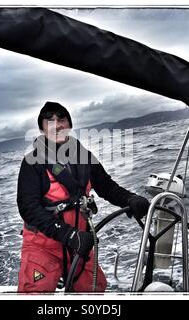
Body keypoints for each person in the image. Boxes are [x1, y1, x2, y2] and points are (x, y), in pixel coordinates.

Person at [17, 101, 150, 293]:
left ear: (69, 125)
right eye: (50, 120)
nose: (57, 125)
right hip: (43, 247)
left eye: (62, 119)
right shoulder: (32, 163)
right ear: (41, 129)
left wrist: (129, 198)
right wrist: (67, 234)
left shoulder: (84, 156)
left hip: (79, 245)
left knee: (94, 289)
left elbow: (107, 187)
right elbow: (28, 208)